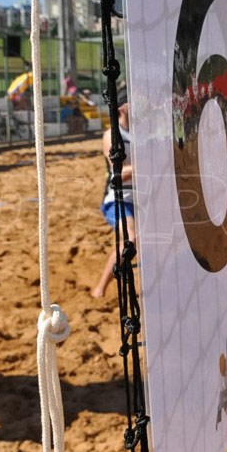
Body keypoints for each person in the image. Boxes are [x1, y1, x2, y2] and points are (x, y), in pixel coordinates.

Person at [92, 86, 135, 298]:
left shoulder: (143, 134)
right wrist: (147, 164)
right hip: (119, 200)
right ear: (122, 108)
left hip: (143, 200)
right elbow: (117, 173)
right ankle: (100, 289)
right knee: (130, 240)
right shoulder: (112, 135)